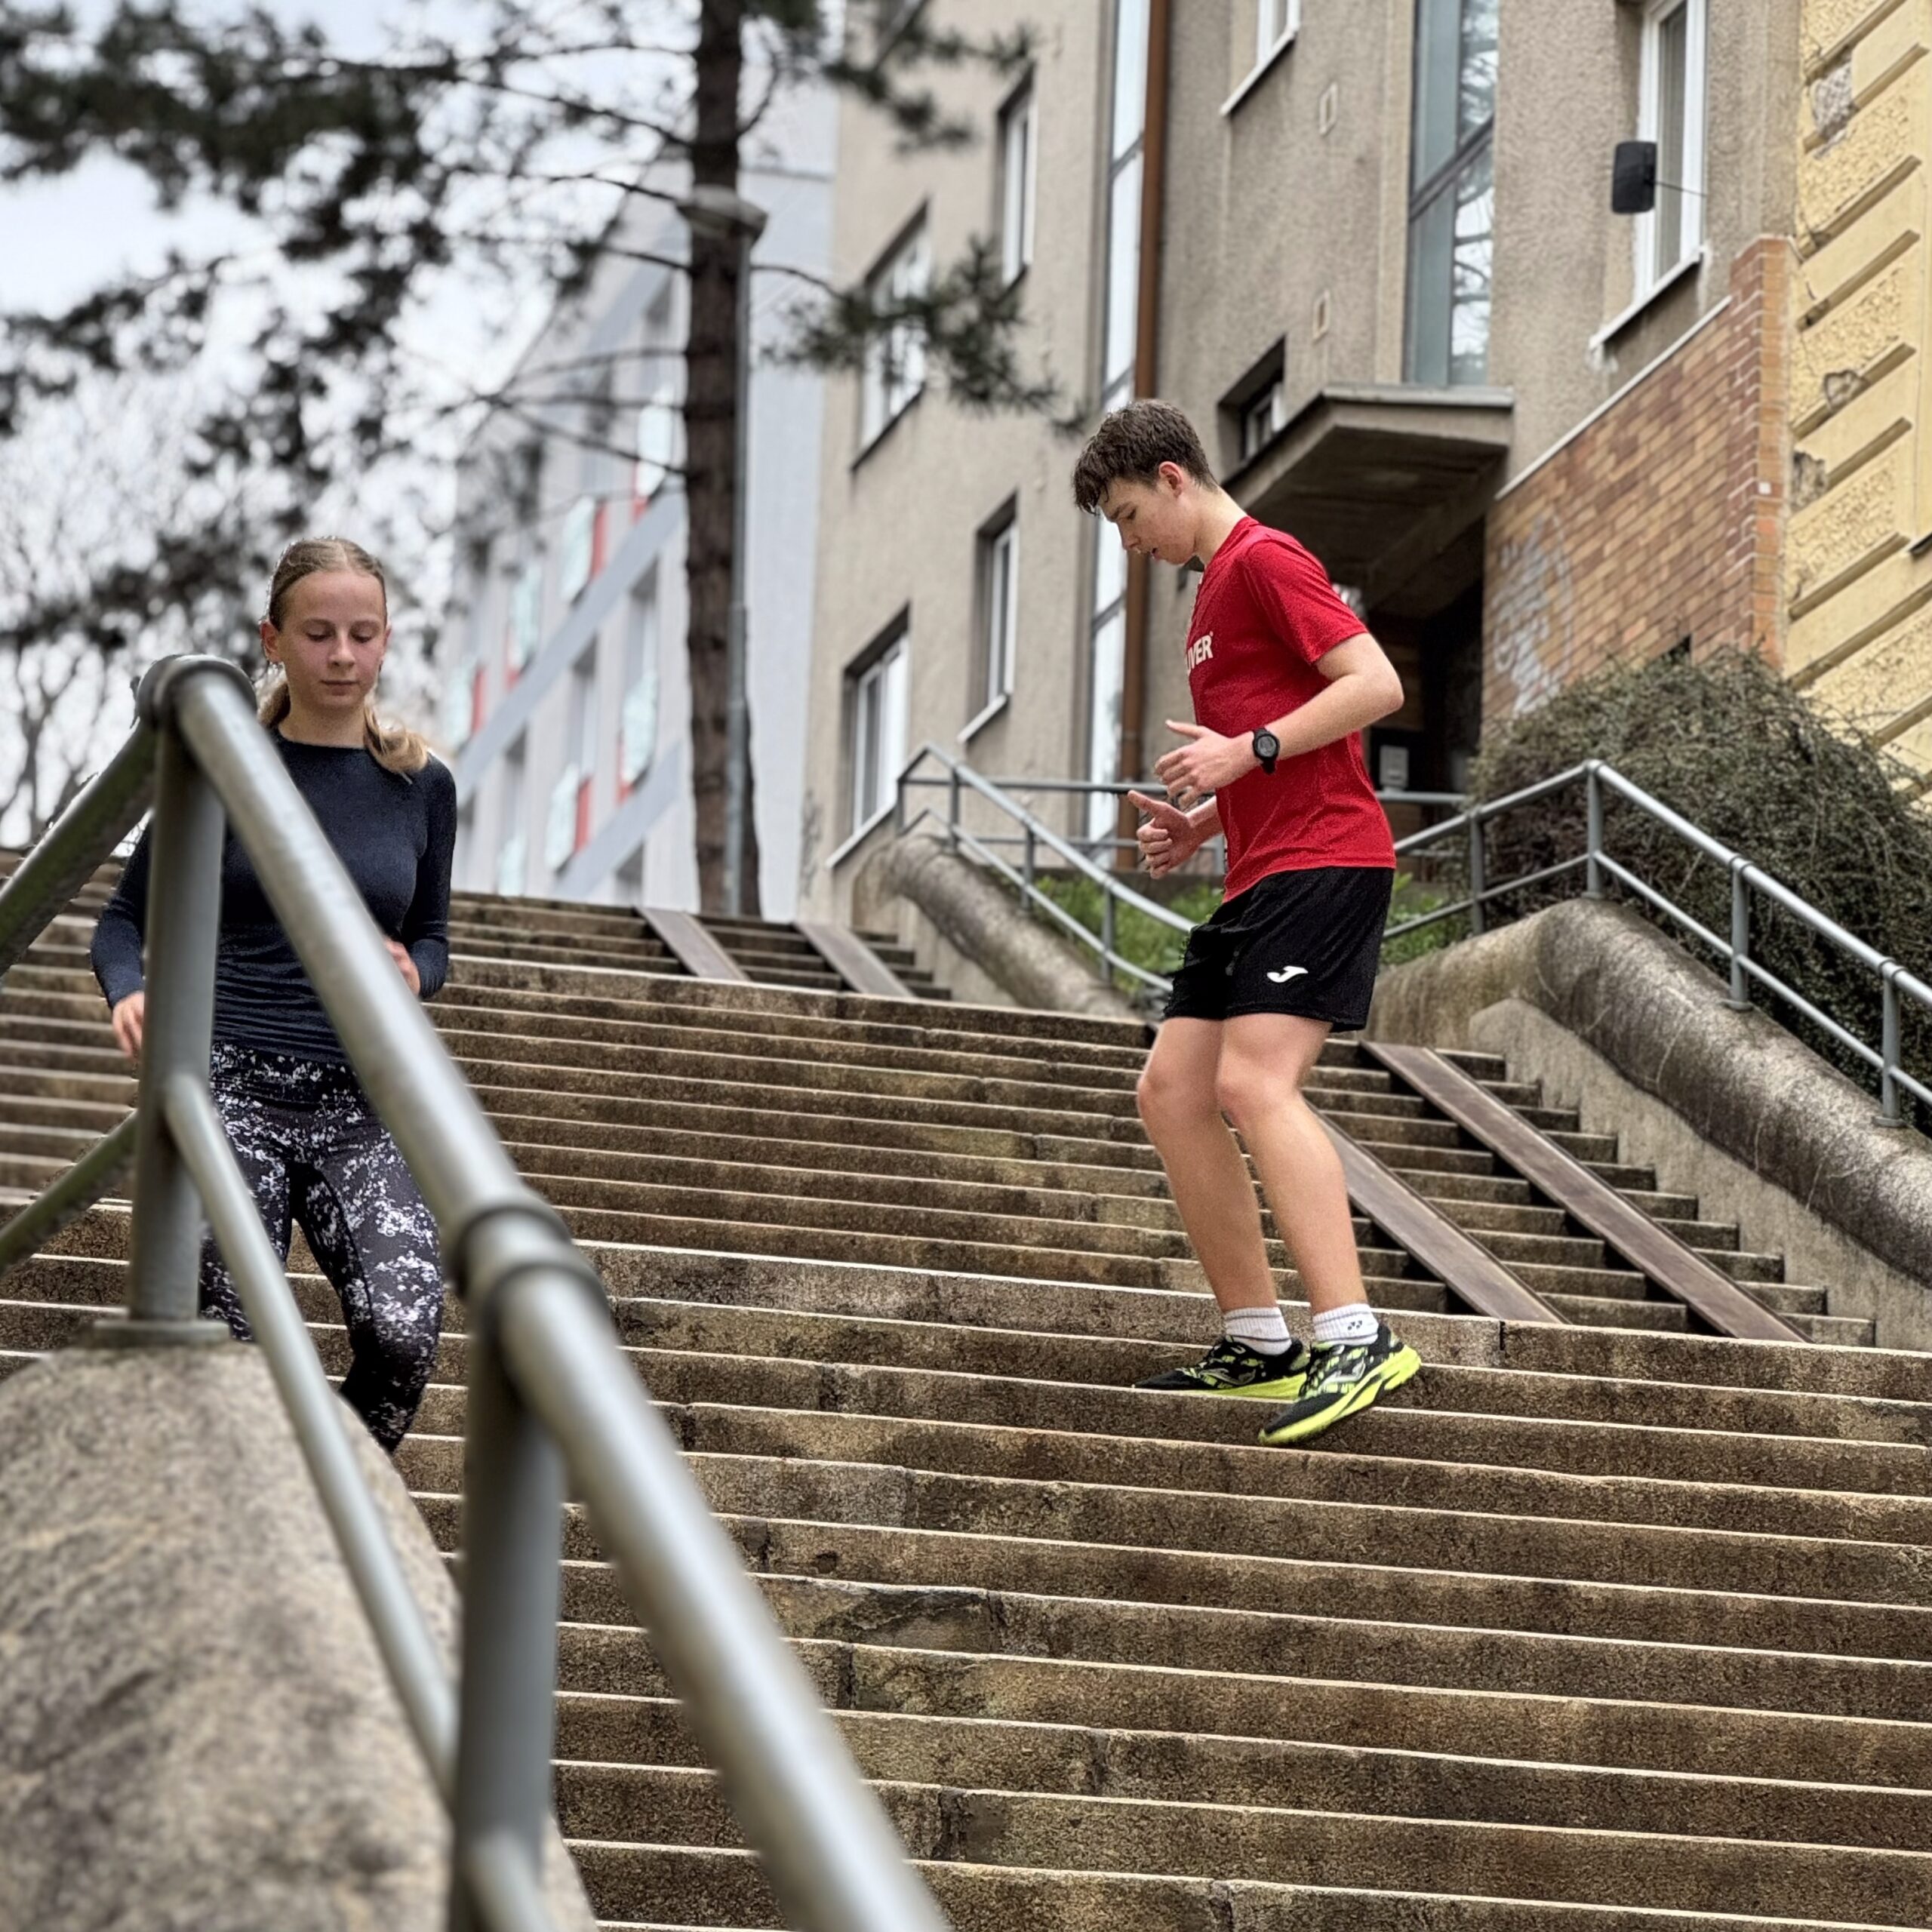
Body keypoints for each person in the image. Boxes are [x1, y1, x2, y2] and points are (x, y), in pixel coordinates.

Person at [1072, 400, 1420, 1446]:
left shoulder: (1266, 559)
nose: (1131, 544)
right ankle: (1260, 1342)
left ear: (1173, 478)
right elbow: (1277, 749)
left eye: (1129, 517)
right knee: (1172, 1091)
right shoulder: (1212, 593)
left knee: (1253, 1082)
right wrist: (1203, 818)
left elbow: (1376, 685)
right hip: (1260, 871)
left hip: (1327, 860)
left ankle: (1355, 1335)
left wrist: (1247, 748)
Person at [91, 537, 457, 1454]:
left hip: (360, 1102)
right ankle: (281, 1499)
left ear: (385, 641)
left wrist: (416, 972)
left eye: (363, 634)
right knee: (242, 1342)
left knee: (404, 1336)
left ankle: (334, 1500)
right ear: (273, 640)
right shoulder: (219, 770)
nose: (343, 655)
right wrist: (130, 992)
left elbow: (433, 938)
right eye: (319, 633)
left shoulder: (421, 786)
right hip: (228, 1087)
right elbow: (121, 923)